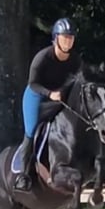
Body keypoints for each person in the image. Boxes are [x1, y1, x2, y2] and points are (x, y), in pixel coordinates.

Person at [14, 17, 83, 191]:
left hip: (59, 97)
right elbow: (33, 84)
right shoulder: (43, 57)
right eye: (65, 37)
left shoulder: (75, 60)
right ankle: (23, 175)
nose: (68, 41)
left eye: (71, 37)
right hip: (37, 96)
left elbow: (79, 82)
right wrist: (49, 93)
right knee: (31, 130)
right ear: (56, 38)